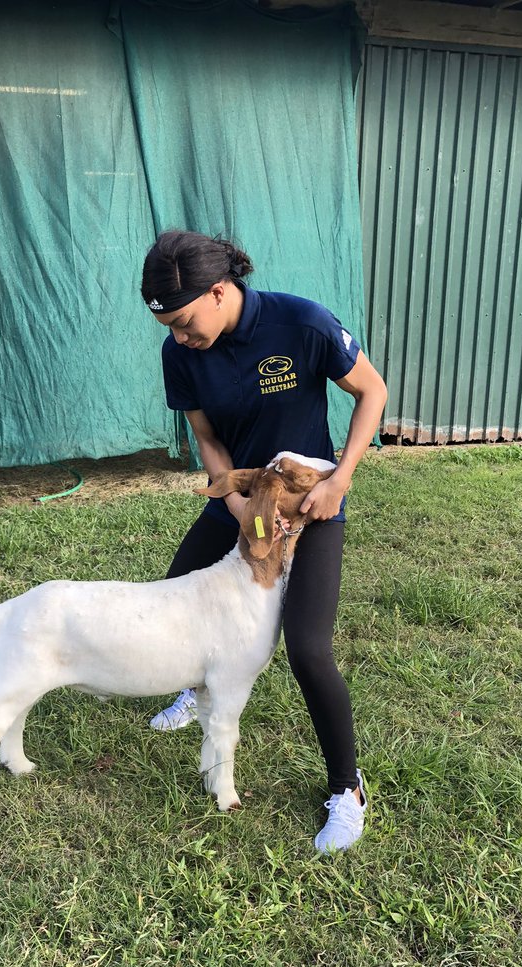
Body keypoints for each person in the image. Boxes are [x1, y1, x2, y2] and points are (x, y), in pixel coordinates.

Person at [141, 231, 387, 852]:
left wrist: (341, 481)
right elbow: (207, 438)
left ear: (220, 291)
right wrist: (231, 501)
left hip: (309, 503)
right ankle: (197, 692)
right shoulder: (182, 355)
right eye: (167, 326)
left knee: (307, 649)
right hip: (242, 497)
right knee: (176, 592)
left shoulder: (299, 322)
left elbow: (371, 392)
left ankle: (346, 790)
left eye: (185, 321)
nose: (178, 337)